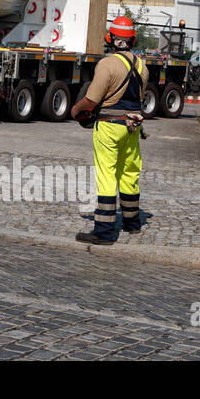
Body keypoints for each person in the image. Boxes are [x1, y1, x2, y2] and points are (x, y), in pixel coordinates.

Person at [70, 15, 147, 244]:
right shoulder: (142, 66)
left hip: (109, 127)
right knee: (129, 173)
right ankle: (132, 223)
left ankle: (104, 231)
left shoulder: (107, 64)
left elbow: (92, 99)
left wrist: (76, 110)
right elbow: (139, 100)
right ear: (133, 41)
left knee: (106, 176)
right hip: (132, 126)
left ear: (110, 38)